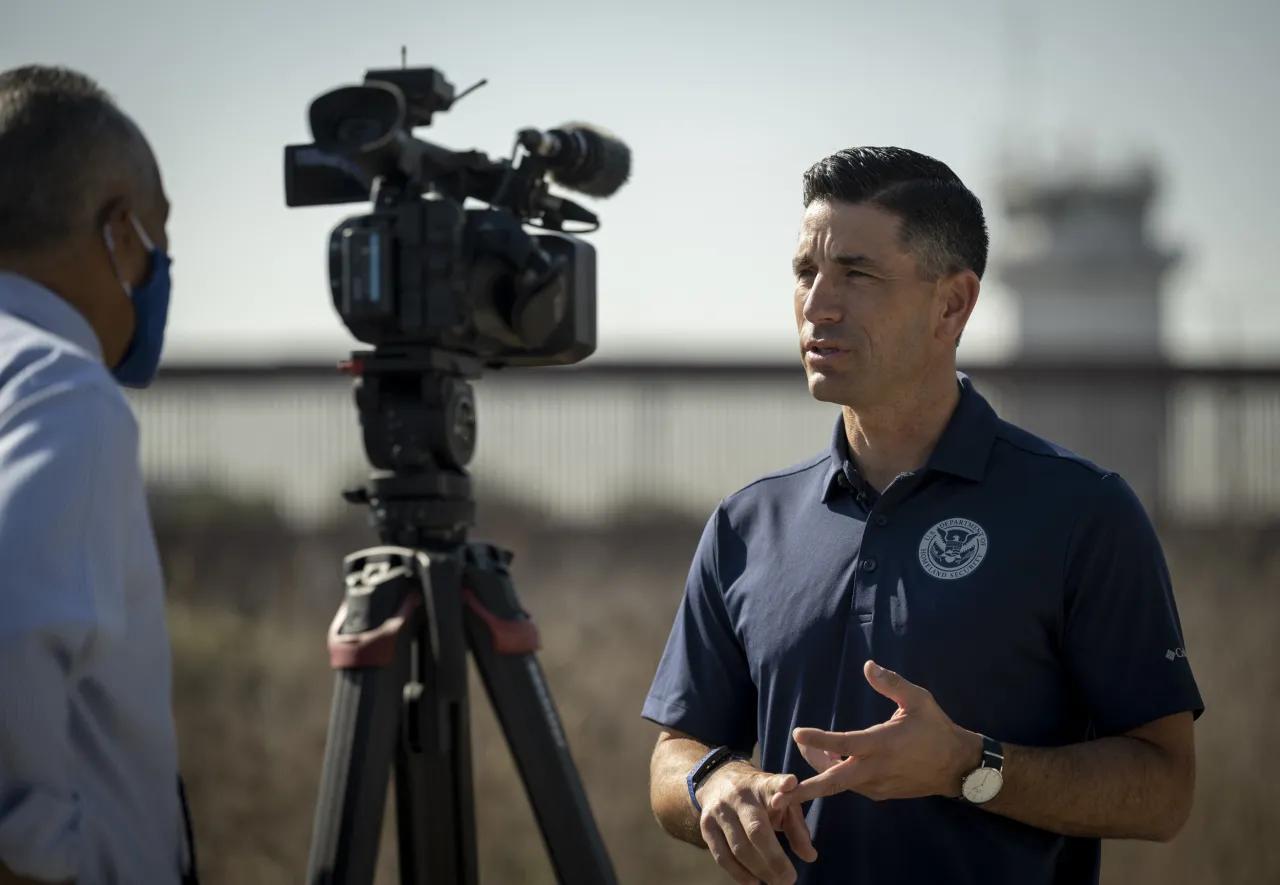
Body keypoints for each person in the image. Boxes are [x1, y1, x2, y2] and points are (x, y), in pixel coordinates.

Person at [642, 146, 1203, 885]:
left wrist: (970, 766)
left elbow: (1164, 792)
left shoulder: (1082, 511)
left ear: (952, 304)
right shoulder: (747, 523)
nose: (817, 304)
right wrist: (714, 782)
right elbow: (672, 754)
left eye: (857, 273)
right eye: (806, 273)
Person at [0, 66, 196, 884]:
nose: (165, 269)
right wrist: (46, 862)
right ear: (119, 231)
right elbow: (11, 629)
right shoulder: (60, 388)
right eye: (159, 234)